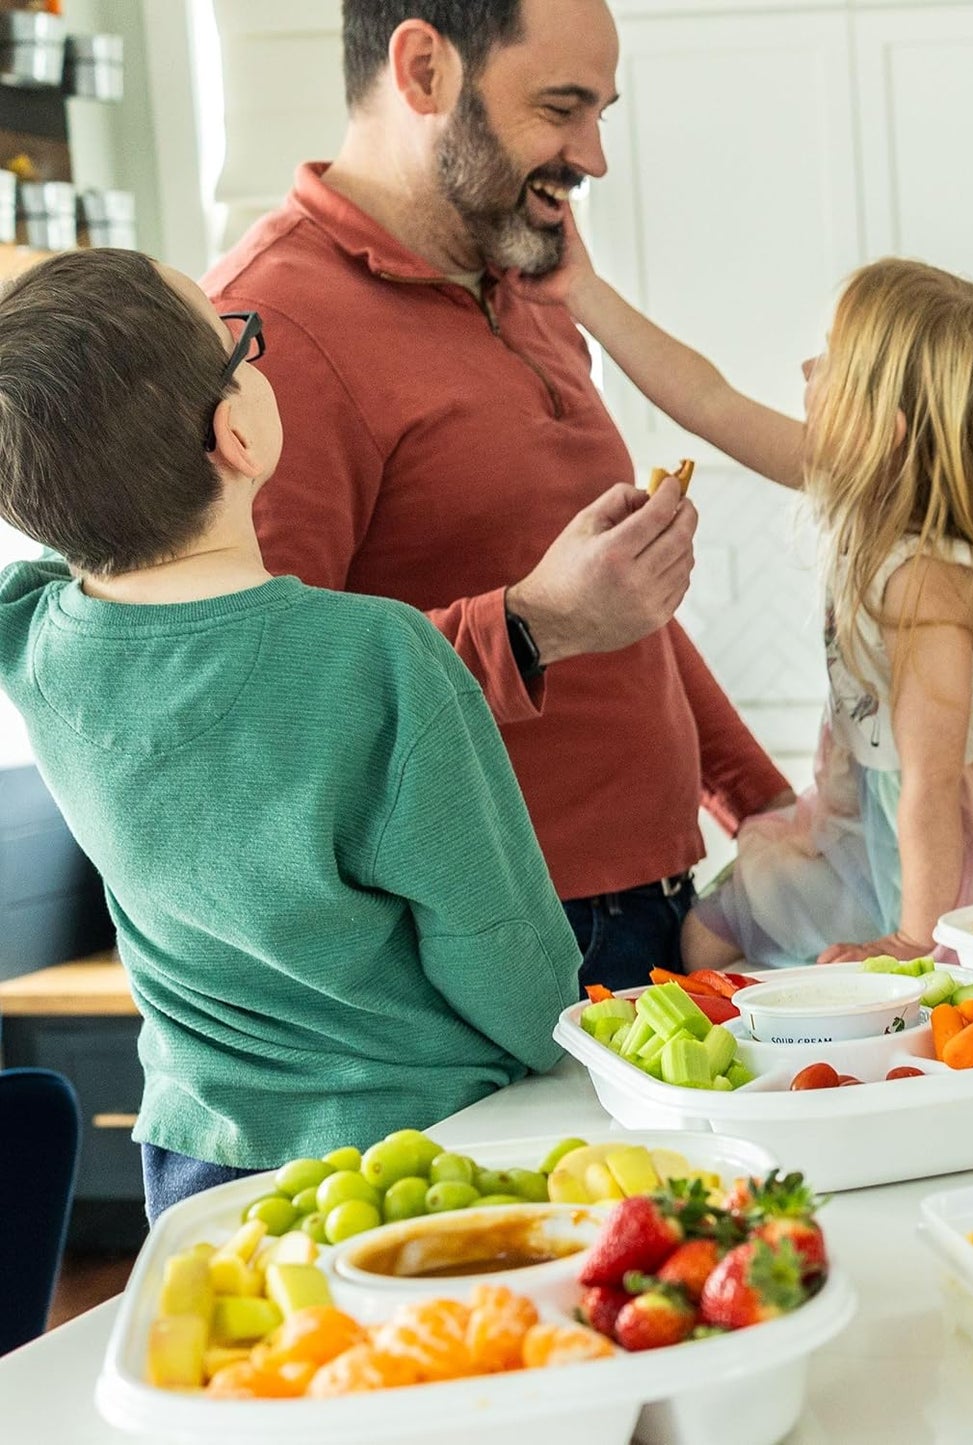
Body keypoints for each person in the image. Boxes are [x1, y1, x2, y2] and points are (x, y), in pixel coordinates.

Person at [204, 0, 791, 991]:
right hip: (487, 944)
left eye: (601, 111)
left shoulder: (525, 279)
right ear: (424, 70)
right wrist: (536, 624)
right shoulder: (272, 333)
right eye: (562, 108)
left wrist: (765, 808)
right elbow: (264, 712)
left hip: (644, 910)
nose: (594, 156)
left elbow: (618, 611)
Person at [0, 249, 584, 1220]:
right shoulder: (379, 658)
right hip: (416, 1153)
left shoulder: (36, 643)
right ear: (234, 431)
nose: (252, 349)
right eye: (239, 340)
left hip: (194, 1159)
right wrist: (565, 1050)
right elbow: (502, 953)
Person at [516, 220, 973, 968]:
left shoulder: (925, 585)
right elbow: (709, 400)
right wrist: (580, 290)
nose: (808, 366)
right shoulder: (865, 493)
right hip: (866, 823)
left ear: (886, 432)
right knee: (709, 938)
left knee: (905, 987)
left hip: (950, 854)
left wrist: (917, 938)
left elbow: (930, 785)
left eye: (834, 361)